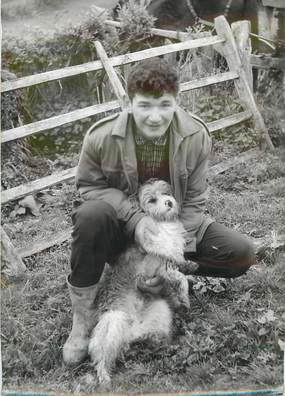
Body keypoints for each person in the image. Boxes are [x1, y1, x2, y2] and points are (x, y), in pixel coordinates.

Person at [63, 57, 256, 365]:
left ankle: (173, 279)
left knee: (241, 253)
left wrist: (164, 258)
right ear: (129, 102)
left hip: (170, 230)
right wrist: (136, 219)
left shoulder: (195, 135)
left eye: (164, 105)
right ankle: (83, 321)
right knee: (91, 215)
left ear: (176, 101)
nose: (155, 117)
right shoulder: (100, 137)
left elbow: (193, 202)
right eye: (145, 106)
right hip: (122, 231)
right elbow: (89, 187)